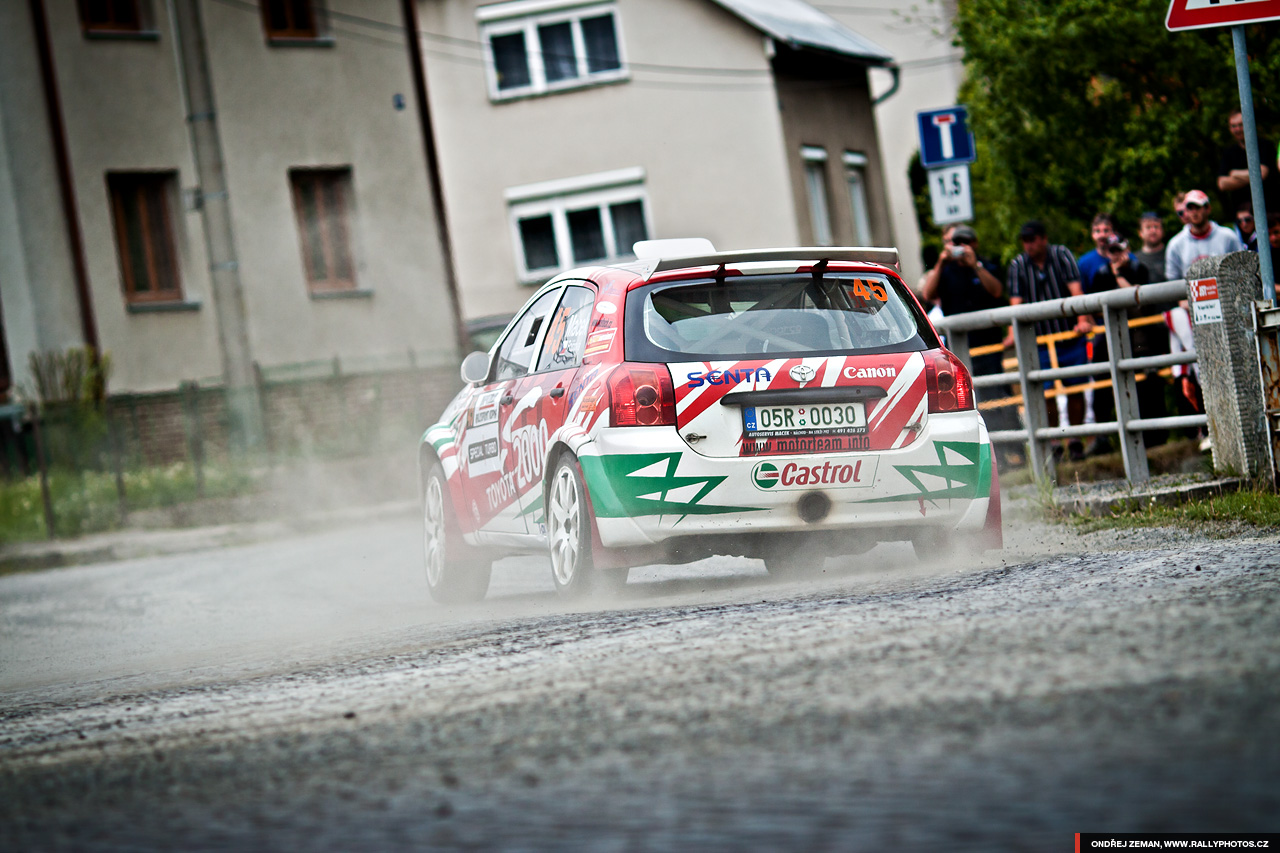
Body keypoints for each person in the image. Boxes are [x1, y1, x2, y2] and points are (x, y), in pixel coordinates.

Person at [921, 224, 1018, 459]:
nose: (960, 247)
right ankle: (985, 453)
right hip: (960, 350)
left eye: (964, 242)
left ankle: (1013, 448)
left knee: (998, 393)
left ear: (974, 243)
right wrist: (941, 263)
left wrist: (975, 265)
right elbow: (927, 295)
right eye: (955, 243)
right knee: (971, 399)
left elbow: (996, 291)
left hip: (989, 347)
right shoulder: (945, 270)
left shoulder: (987, 264)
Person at [1006, 220, 1092, 460]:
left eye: (1032, 239)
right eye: (1025, 240)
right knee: (1045, 391)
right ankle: (1054, 440)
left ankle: (1074, 437)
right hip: (1039, 341)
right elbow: (1015, 303)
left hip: (1069, 334)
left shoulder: (1061, 254)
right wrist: (1013, 335)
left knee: (1076, 387)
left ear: (1044, 238)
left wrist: (1083, 319)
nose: (1028, 245)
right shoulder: (1018, 265)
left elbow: (1077, 291)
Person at [1088, 234, 1168, 450]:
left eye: (1118, 250)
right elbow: (1095, 307)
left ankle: (1155, 438)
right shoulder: (1100, 274)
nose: (1116, 255)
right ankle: (1104, 438)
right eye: (1111, 251)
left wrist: (1118, 276)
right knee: (1103, 384)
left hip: (1140, 335)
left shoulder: (1139, 269)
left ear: (1127, 249)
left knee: (1146, 385)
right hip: (1112, 335)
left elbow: (1139, 302)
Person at [1165, 190, 1243, 281]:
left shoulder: (1228, 237)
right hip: (1192, 294)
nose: (1194, 212)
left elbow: (1241, 268)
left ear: (1208, 209)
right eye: (1190, 208)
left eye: (1197, 207)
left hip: (1224, 293)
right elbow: (1173, 279)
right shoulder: (1175, 244)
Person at [1218, 110, 1277, 214]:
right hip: (1242, 217)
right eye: (1233, 126)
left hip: (1270, 211)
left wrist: (1234, 174)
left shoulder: (1265, 145)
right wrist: (1252, 177)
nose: (1237, 129)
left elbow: (1261, 174)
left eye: (1241, 125)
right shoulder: (1228, 152)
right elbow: (1222, 183)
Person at [1078, 213, 1117, 294]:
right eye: (1097, 231)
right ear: (1092, 234)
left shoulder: (1126, 258)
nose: (1102, 235)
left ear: (1113, 233)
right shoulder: (1084, 262)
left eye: (1106, 230)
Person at [1133, 211, 1167, 282]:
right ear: (1140, 232)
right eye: (1148, 227)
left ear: (1162, 230)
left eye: (1156, 226)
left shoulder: (1171, 253)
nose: (1153, 231)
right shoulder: (1134, 259)